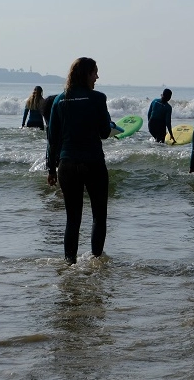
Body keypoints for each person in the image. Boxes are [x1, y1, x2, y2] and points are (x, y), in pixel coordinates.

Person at [46, 58, 113, 265]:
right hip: (93, 162)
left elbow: (52, 138)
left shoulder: (59, 100)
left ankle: (69, 264)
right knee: (98, 216)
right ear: (86, 74)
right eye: (95, 73)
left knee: (72, 219)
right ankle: (95, 262)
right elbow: (104, 132)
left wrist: (51, 169)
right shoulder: (98, 98)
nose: (97, 77)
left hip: (66, 164)